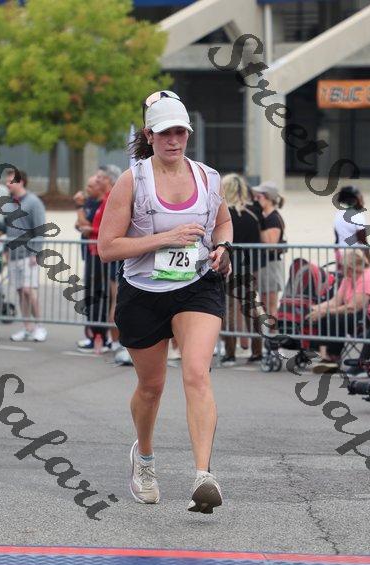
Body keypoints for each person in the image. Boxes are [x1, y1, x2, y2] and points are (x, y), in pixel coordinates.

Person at [98, 90, 232, 513]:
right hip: (143, 292)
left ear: (188, 134)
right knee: (151, 387)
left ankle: (204, 476)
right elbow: (107, 247)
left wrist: (223, 247)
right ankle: (144, 458)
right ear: (149, 135)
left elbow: (223, 221)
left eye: (180, 132)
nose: (173, 140)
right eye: (164, 133)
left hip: (196, 286)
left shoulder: (208, 177)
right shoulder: (133, 180)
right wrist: (164, 238)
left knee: (196, 372)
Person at [308, 248, 370, 374]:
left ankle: (333, 357)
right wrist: (315, 308)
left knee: (335, 318)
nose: (343, 270)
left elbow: (354, 307)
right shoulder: (348, 278)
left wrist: (325, 311)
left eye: (345, 267)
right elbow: (335, 301)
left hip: (367, 318)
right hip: (353, 314)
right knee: (320, 315)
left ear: (353, 267)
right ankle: (326, 357)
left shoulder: (368, 277)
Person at [77, 166, 121, 353]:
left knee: (105, 297)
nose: (97, 180)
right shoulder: (101, 200)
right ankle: (101, 337)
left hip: (104, 255)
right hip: (96, 252)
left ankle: (104, 339)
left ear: (109, 180)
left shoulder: (112, 199)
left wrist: (91, 231)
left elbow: (110, 227)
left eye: (101, 177)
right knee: (98, 295)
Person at [220, 173, 263, 366]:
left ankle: (230, 353)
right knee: (251, 307)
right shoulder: (253, 213)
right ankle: (257, 351)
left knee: (228, 309)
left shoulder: (224, 214)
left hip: (228, 266)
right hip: (250, 267)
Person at [5, 169, 48, 342]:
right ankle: (27, 327)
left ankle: (40, 326)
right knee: (20, 292)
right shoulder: (9, 203)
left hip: (28, 255)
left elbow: (40, 229)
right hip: (13, 255)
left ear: (21, 181)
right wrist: (6, 251)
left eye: (10, 181)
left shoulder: (33, 202)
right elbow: (8, 228)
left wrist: (35, 252)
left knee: (29, 291)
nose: (7, 184)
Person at [253, 181, 286, 327]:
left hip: (271, 265)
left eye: (259, 197)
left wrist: (258, 226)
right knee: (265, 304)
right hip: (265, 265)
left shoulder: (273, 218)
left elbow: (271, 244)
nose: (256, 200)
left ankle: (273, 335)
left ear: (268, 198)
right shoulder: (267, 216)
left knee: (270, 305)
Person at [333, 186, 369, 271]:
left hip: (340, 254)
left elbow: (337, 240)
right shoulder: (358, 216)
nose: (363, 200)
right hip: (354, 257)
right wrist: (369, 261)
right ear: (355, 200)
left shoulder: (338, 215)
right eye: (360, 197)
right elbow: (362, 242)